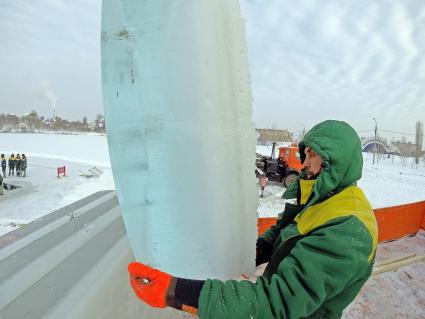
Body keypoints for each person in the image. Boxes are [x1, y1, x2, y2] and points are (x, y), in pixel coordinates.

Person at [127, 120, 378, 319]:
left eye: (312, 155)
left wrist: (173, 291)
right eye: (306, 153)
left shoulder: (347, 231)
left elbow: (276, 303)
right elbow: (284, 230)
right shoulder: (324, 197)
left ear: (335, 160)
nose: (304, 163)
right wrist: (254, 251)